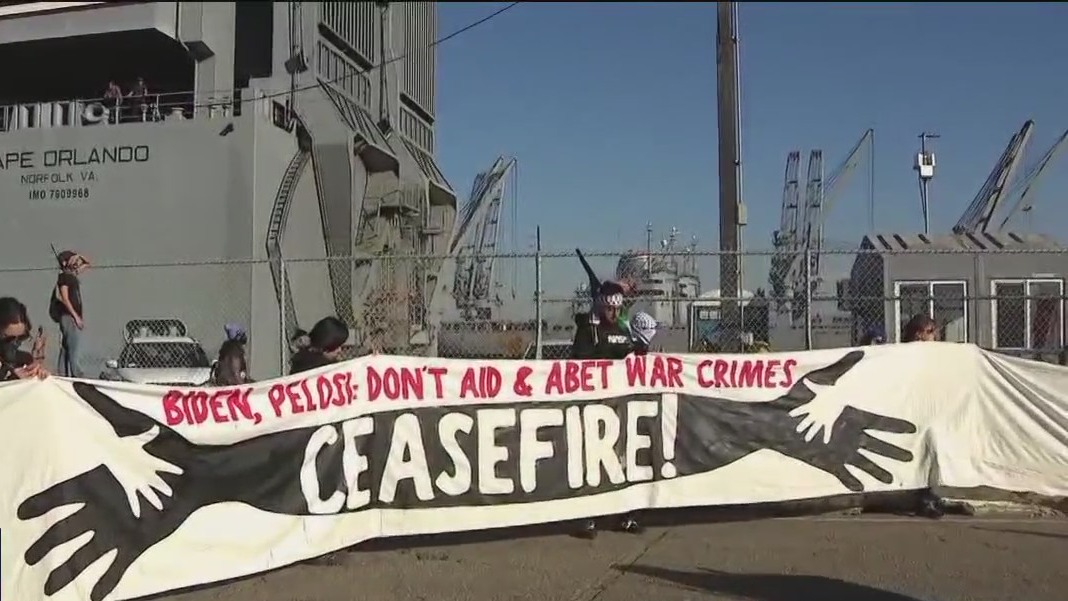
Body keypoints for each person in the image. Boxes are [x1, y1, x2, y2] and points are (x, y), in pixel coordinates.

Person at [570, 283, 642, 539]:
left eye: (617, 307)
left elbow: (634, 357)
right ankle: (586, 517)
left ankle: (625, 514)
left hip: (621, 403)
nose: (613, 312)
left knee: (624, 459)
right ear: (601, 304)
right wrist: (608, 351)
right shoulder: (588, 329)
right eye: (609, 307)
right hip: (595, 404)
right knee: (592, 460)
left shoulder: (624, 328)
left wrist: (639, 350)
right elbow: (579, 360)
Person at [50, 250, 89, 378]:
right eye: (72, 260)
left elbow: (88, 263)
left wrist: (78, 255)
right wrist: (76, 317)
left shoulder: (71, 275)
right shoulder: (64, 278)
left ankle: (62, 374)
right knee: (73, 346)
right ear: (65, 262)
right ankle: (77, 374)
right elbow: (65, 298)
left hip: (71, 317)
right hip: (68, 317)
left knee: (66, 346)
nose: (76, 262)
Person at [0, 297, 48, 381]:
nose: (16, 343)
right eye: (9, 339)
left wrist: (38, 373)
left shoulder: (24, 359)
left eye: (21, 337)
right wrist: (11, 374)